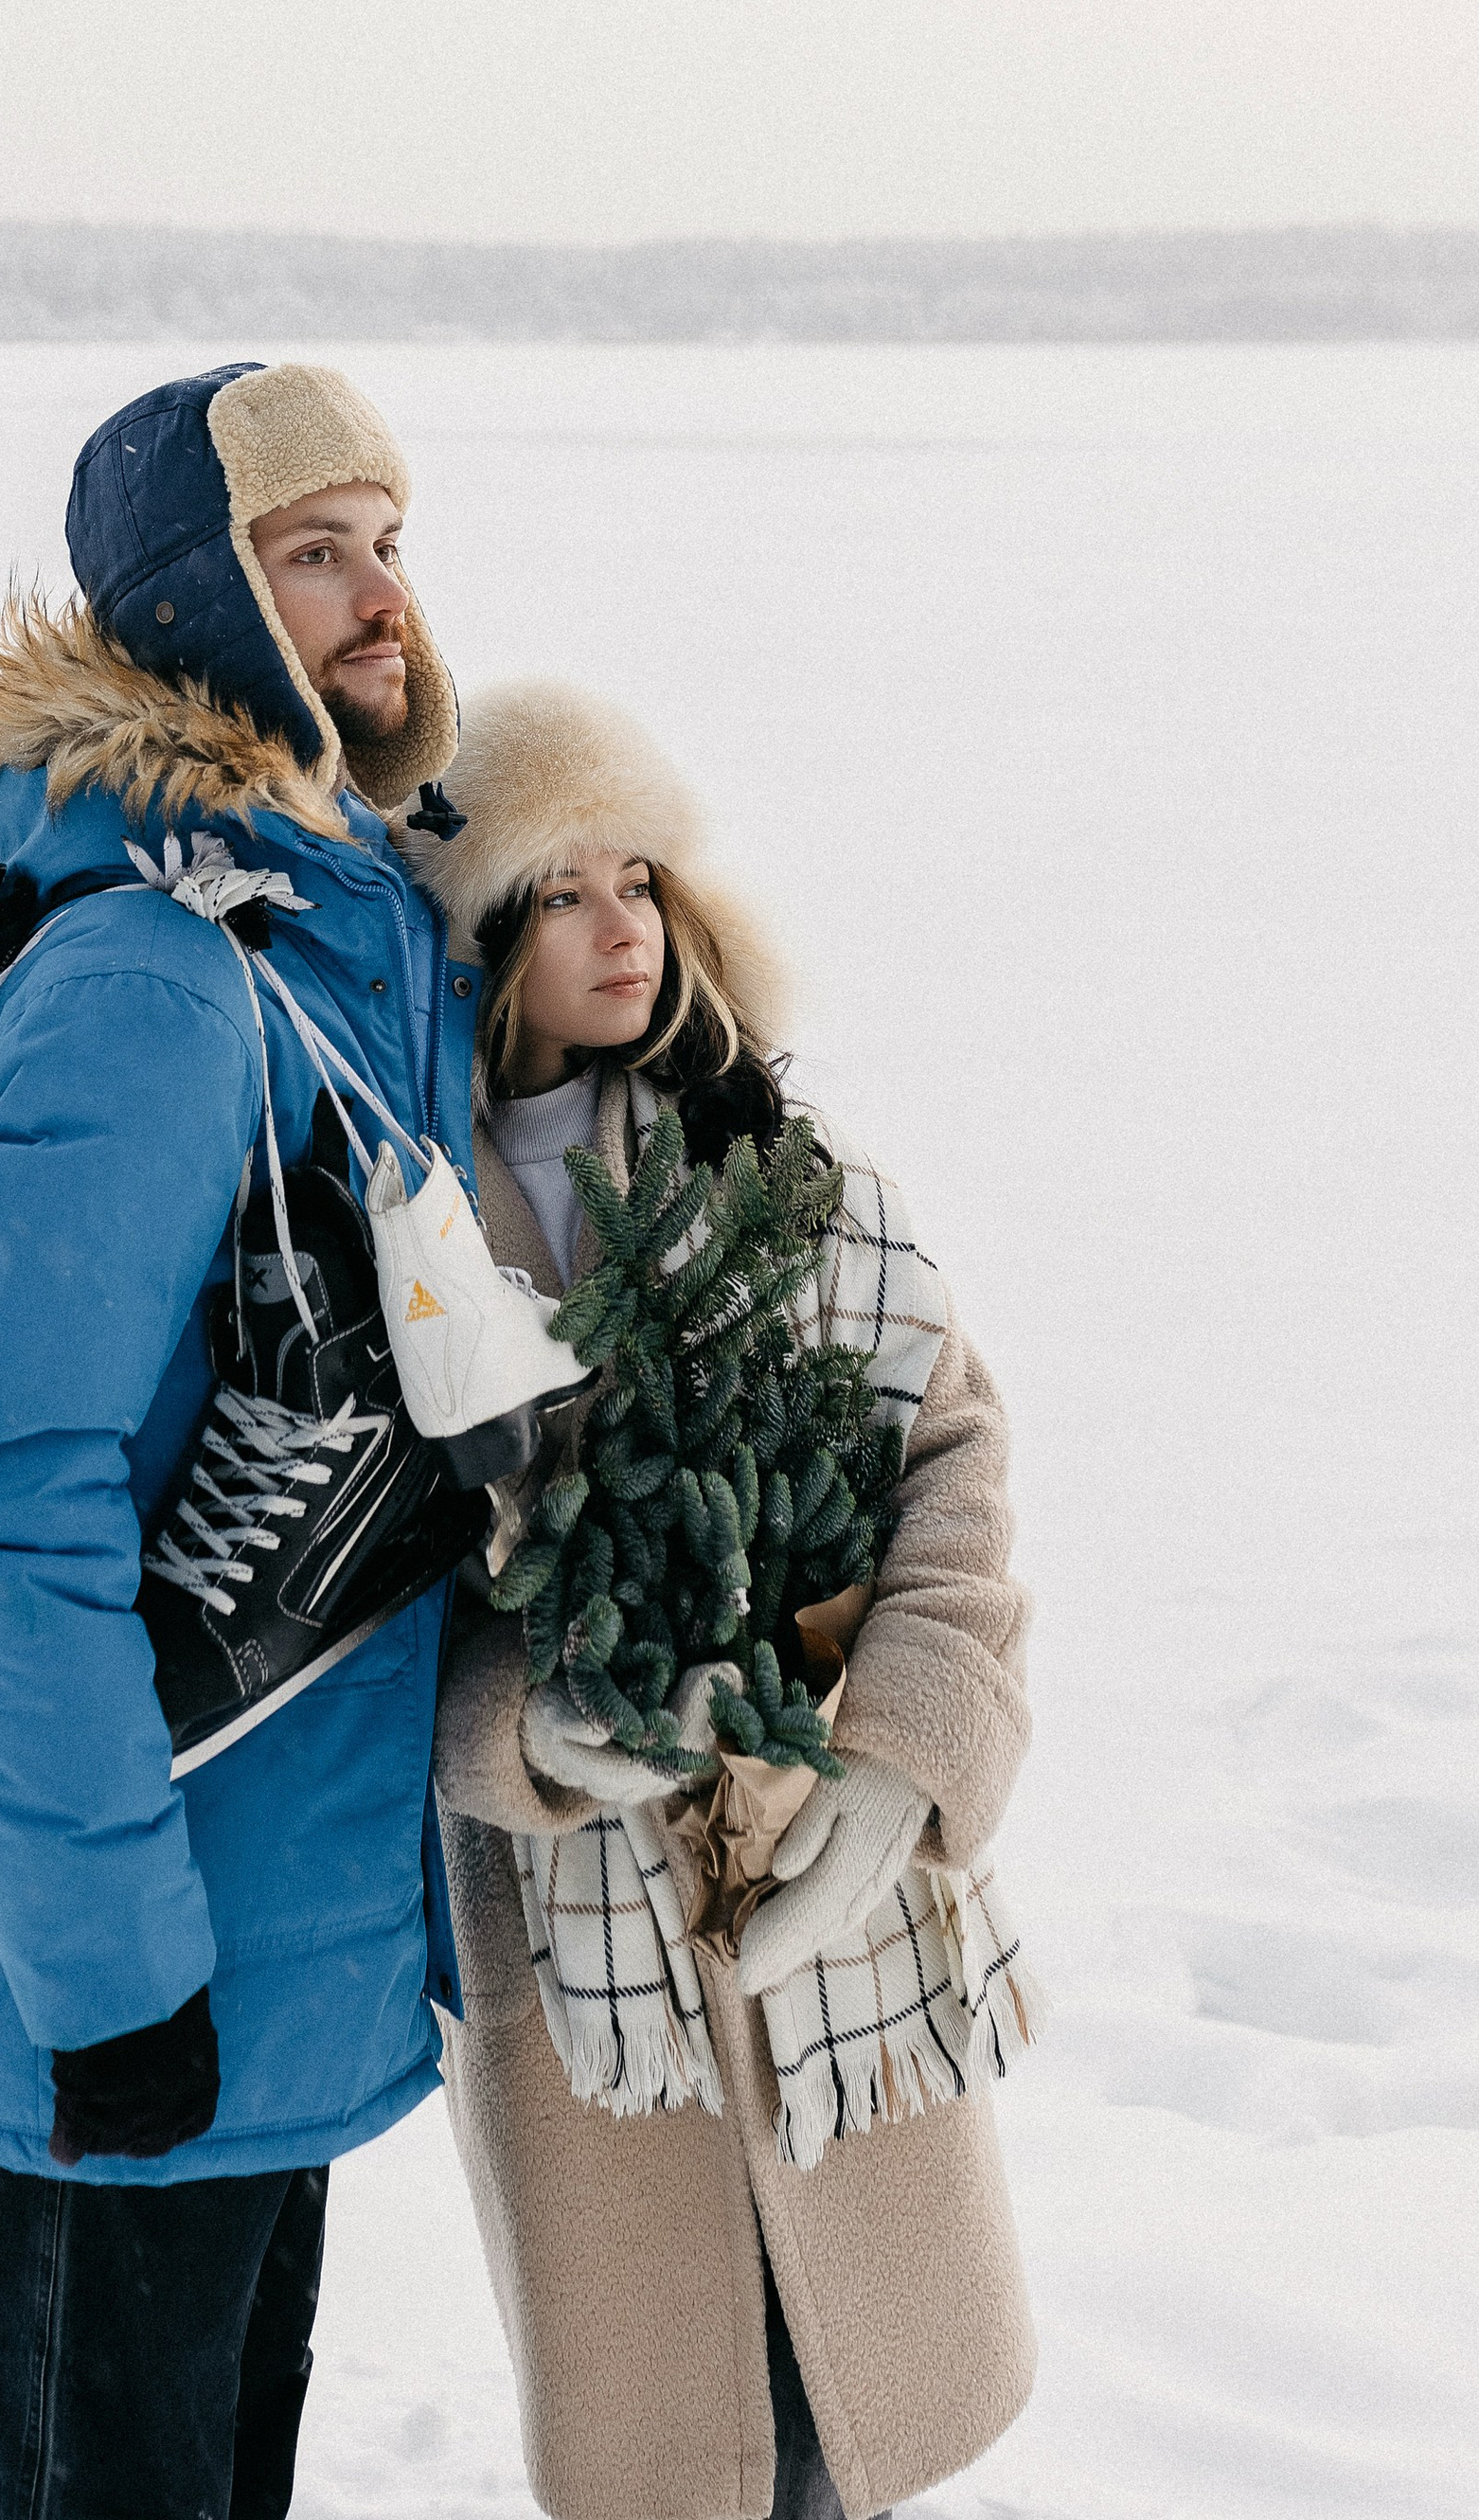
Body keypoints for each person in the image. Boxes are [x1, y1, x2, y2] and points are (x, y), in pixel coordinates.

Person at [0, 359, 478, 2520]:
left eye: (386, 540)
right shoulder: (146, 972)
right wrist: (108, 1985)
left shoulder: (348, 931)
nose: (376, 592)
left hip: (276, 1948)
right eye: (311, 551)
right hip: (133, 1966)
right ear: (195, 601)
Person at [404, 681, 1041, 2520]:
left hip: (819, 1867)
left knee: (846, 2428)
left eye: (639, 879)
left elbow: (951, 1459)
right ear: (477, 941)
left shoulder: (771, 1163)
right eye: (555, 891)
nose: (616, 927)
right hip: (577, 1933)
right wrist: (523, 1727)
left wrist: (903, 1761)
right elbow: (376, 1601)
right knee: (684, 2439)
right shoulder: (407, 1225)